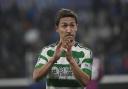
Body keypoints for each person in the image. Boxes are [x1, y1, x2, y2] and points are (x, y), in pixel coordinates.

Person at [33, 8, 93, 89]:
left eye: (72, 25)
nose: (69, 30)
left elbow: (86, 82)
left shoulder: (85, 53)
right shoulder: (47, 51)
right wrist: (53, 59)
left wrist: (71, 60)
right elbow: (36, 77)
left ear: (76, 27)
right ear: (57, 28)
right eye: (64, 25)